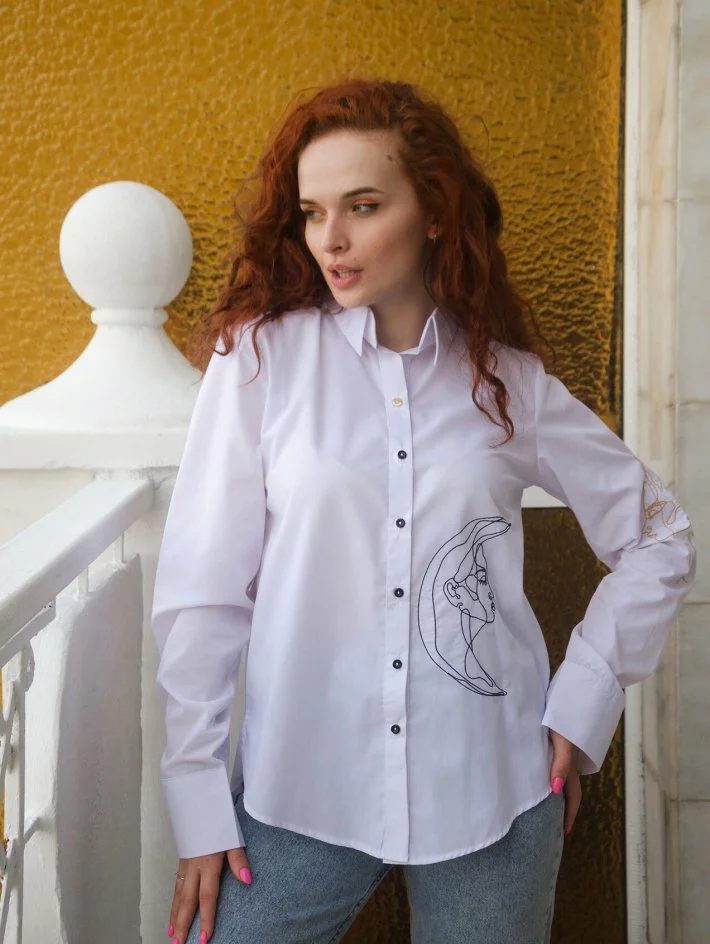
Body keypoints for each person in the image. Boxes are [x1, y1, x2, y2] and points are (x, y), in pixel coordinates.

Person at [151, 78, 696, 944]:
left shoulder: (510, 383)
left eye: (363, 206)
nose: (331, 239)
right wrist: (197, 797)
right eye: (312, 212)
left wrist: (583, 700)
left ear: (435, 213)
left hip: (494, 789)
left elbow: (661, 536)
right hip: (302, 792)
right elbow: (203, 590)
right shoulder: (260, 360)